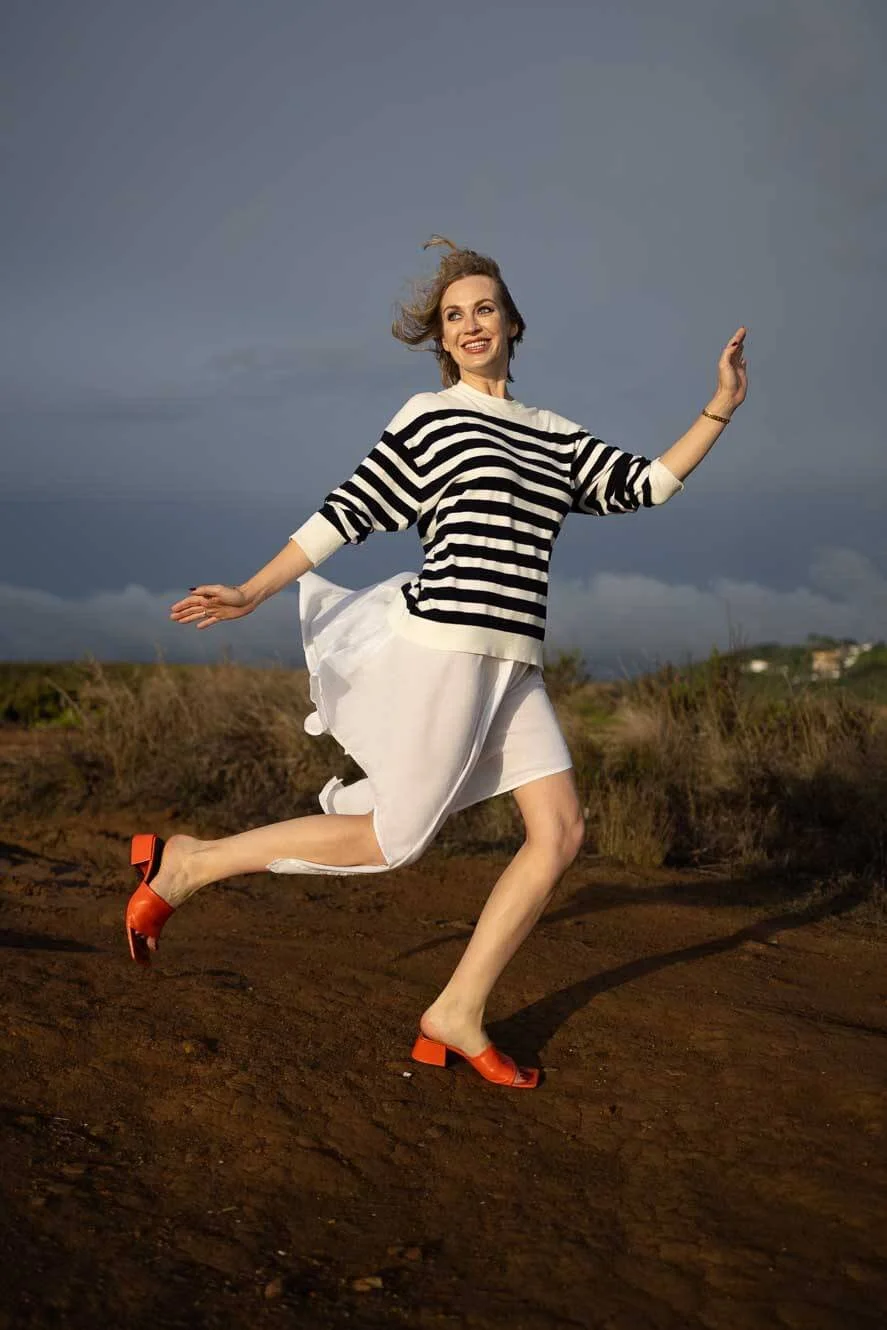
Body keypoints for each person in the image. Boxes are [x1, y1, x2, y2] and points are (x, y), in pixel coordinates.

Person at [125, 237, 748, 1089]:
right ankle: (193, 860)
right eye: (453, 317)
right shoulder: (429, 416)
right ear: (441, 339)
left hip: (514, 659)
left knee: (558, 833)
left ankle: (456, 1010)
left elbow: (645, 485)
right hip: (447, 646)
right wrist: (253, 589)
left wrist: (718, 407)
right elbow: (348, 509)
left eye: (483, 308)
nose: (469, 325)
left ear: (511, 322)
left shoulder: (553, 435)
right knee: (392, 843)